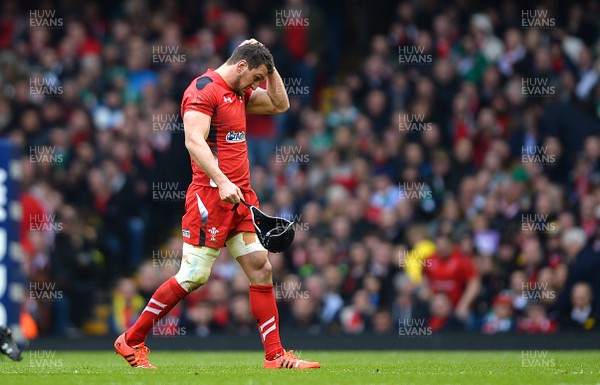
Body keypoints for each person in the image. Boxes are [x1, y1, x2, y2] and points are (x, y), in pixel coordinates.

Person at [114, 39, 320, 369]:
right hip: (210, 197)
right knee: (194, 276)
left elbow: (280, 105)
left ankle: (275, 356)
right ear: (240, 67)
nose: (257, 85)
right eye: (255, 77)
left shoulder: (240, 90)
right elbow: (193, 141)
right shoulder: (203, 90)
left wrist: (270, 66)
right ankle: (131, 339)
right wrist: (222, 180)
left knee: (261, 268)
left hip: (240, 199)